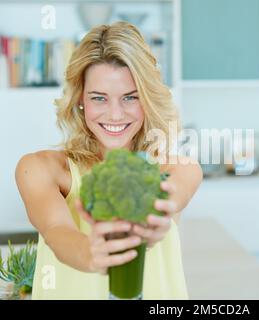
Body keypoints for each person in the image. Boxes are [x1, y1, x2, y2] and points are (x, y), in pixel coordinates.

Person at [15, 21, 202, 300]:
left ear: (147, 99)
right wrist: (91, 253)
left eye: (130, 97)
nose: (115, 115)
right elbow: (57, 231)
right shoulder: (40, 169)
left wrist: (150, 222)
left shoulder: (178, 169)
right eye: (99, 98)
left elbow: (171, 196)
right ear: (80, 99)